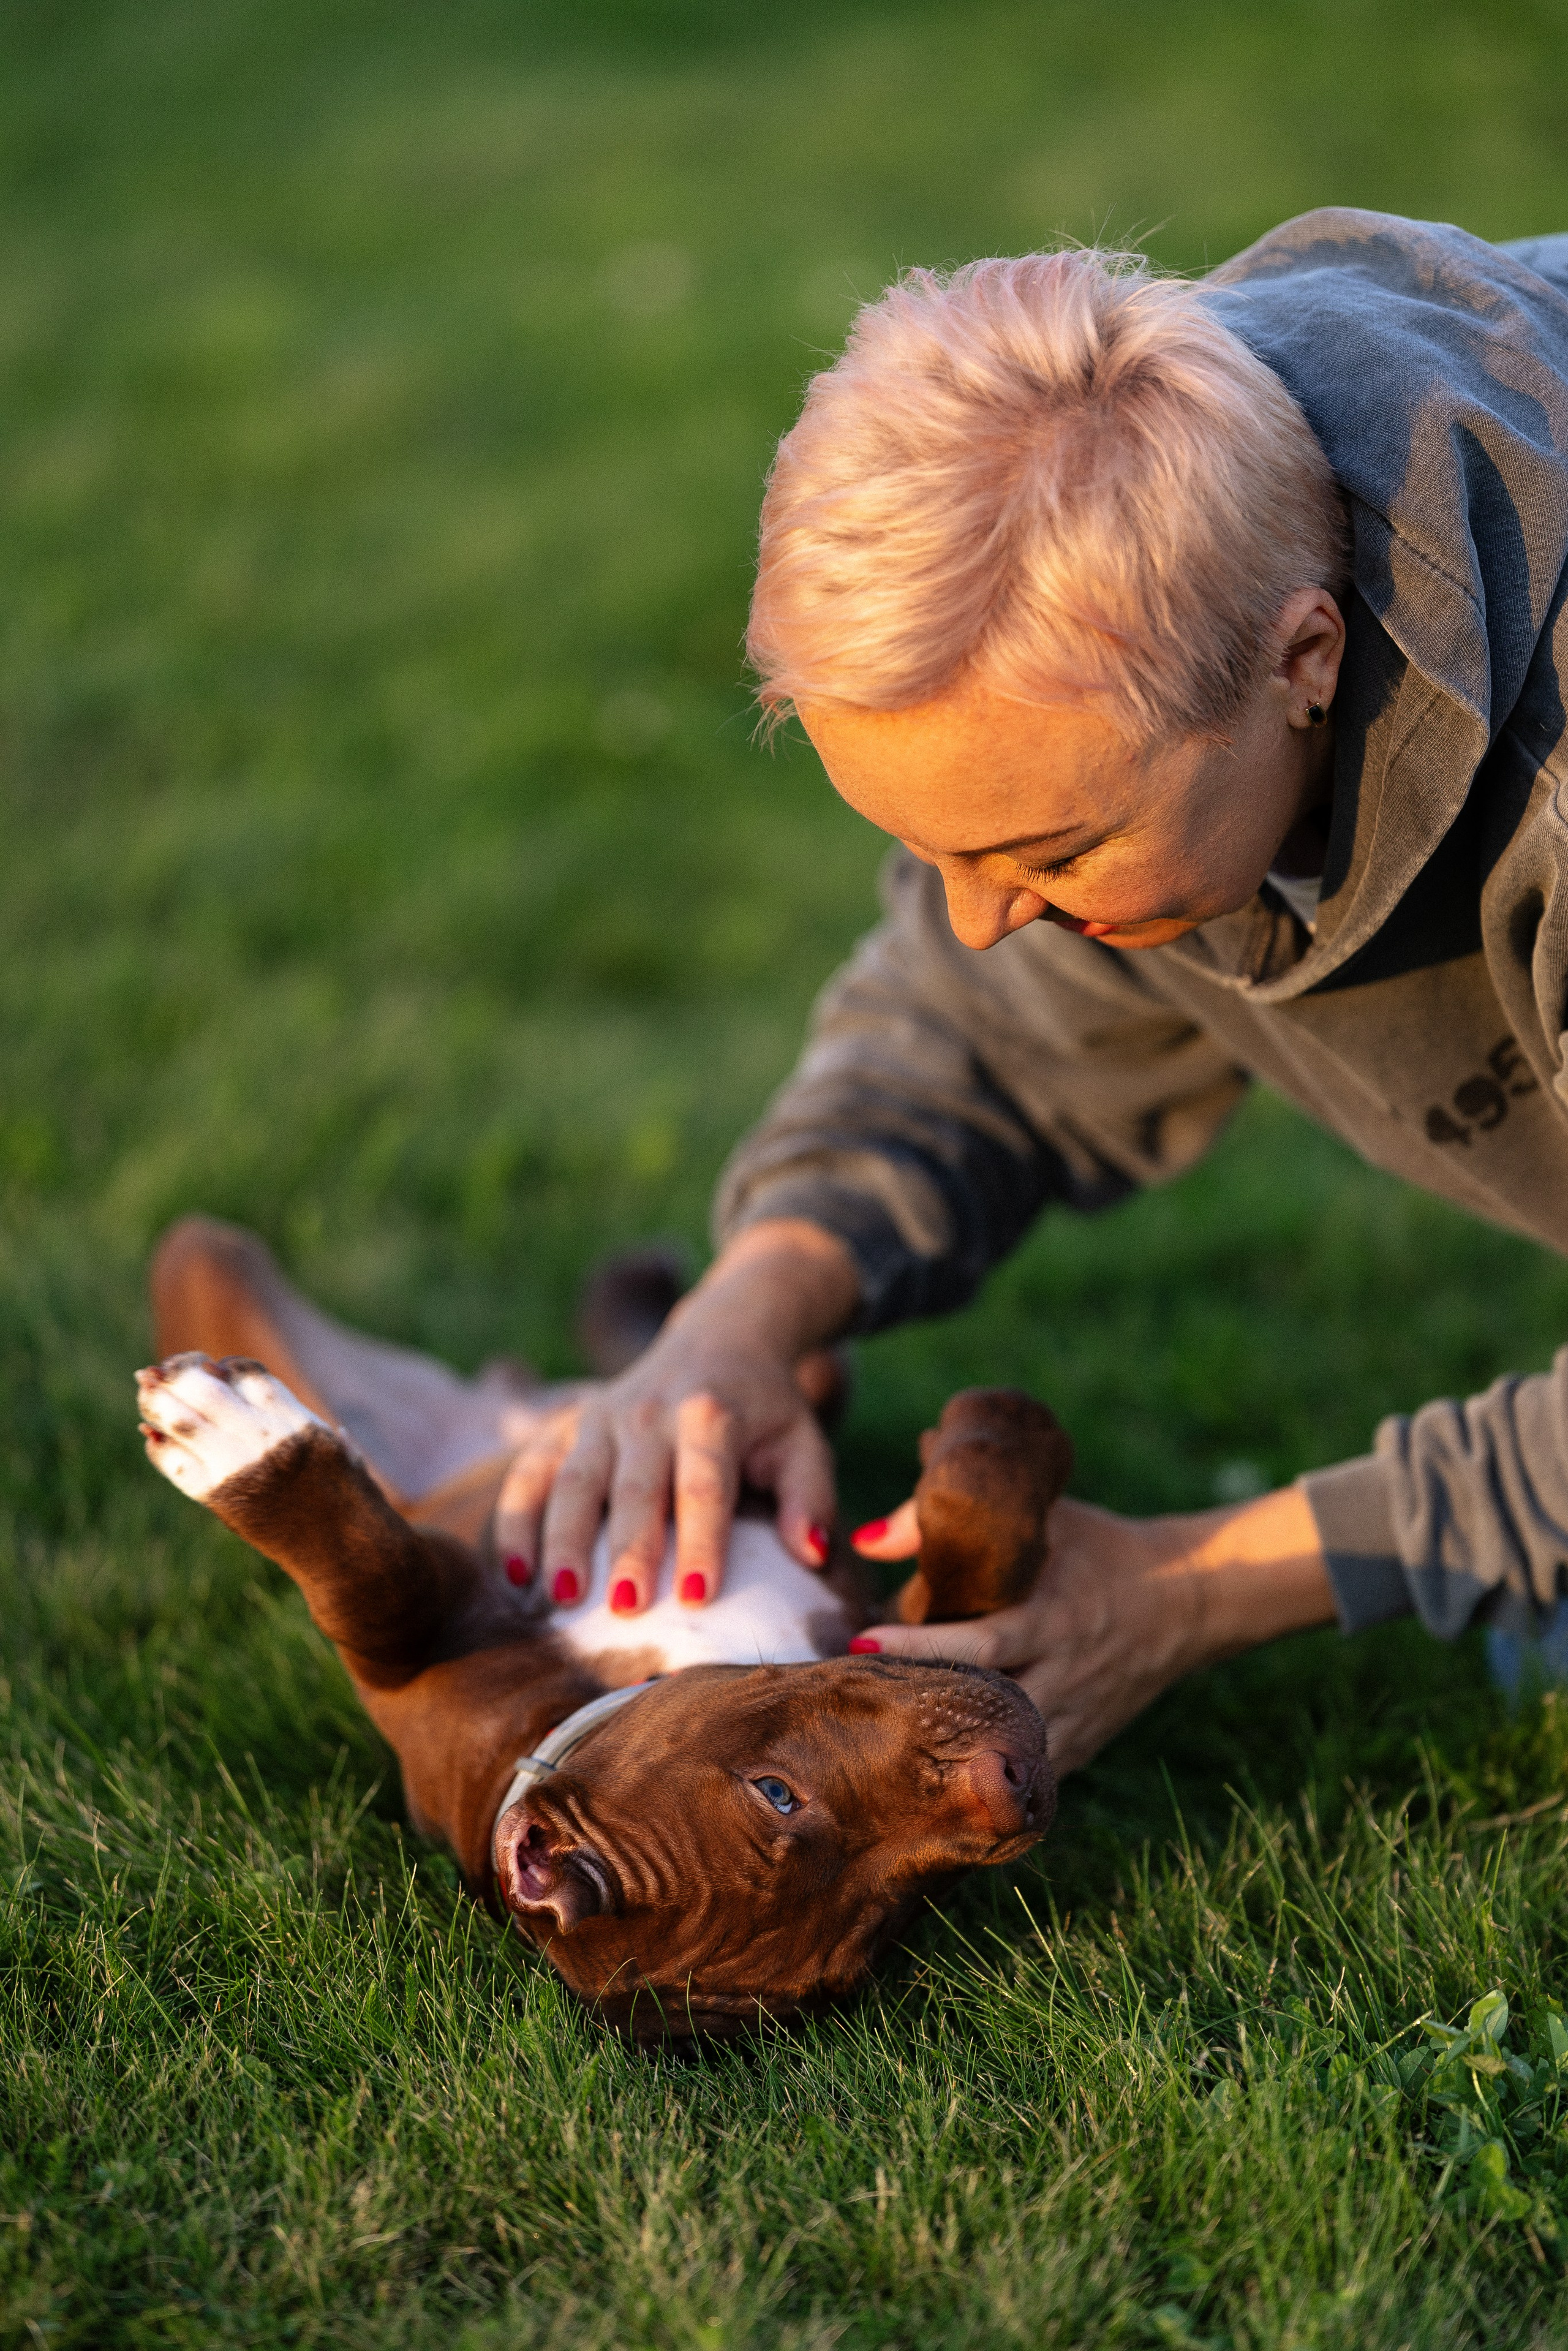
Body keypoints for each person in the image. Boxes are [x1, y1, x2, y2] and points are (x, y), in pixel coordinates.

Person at [495, 208, 1568, 1772]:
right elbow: (972, 1038)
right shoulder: (1181, 510)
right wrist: (747, 1312)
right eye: (931, 846)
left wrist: (1192, 1590)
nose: (982, 919)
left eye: (1048, 848)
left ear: (1304, 659)